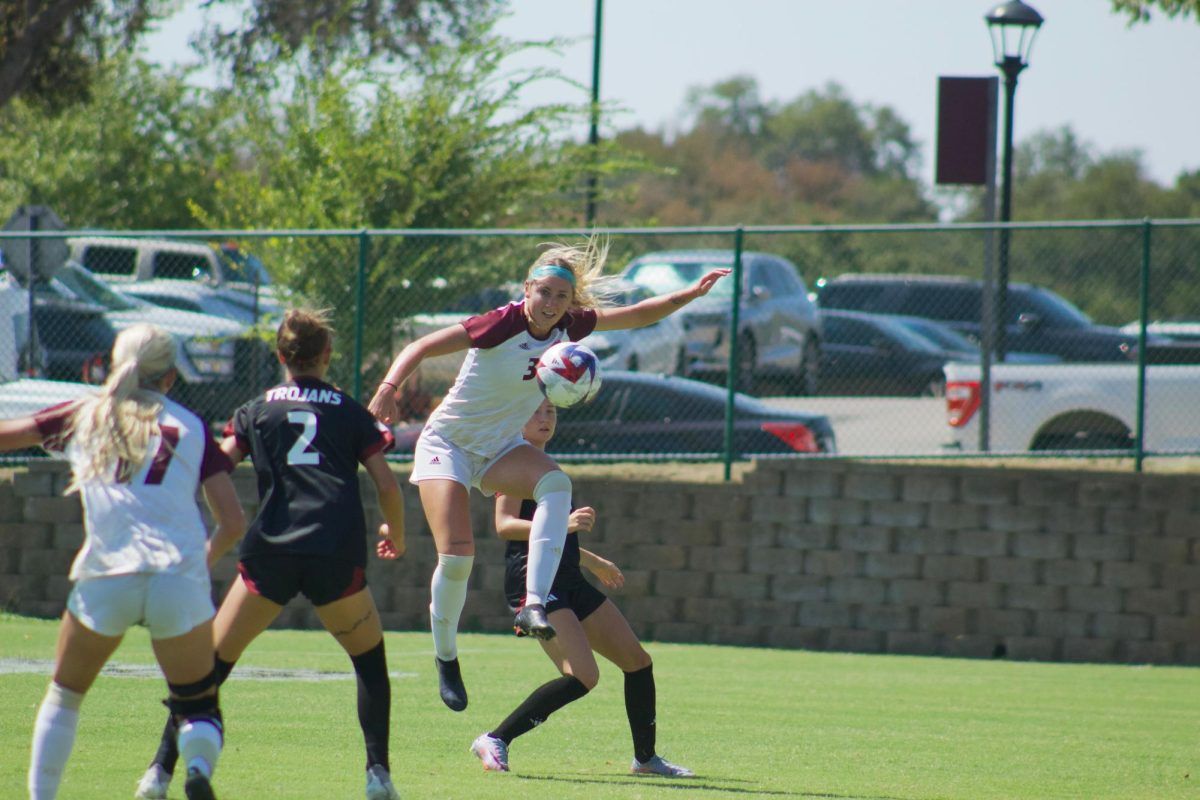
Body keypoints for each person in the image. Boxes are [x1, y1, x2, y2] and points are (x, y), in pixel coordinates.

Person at [367, 238, 728, 712]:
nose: (552, 304)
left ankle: (534, 603)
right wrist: (389, 388)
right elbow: (420, 346)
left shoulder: (568, 327)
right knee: (457, 558)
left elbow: (637, 315)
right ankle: (446, 656)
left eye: (561, 297)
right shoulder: (500, 323)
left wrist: (689, 296)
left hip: (500, 447)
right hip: (448, 444)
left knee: (556, 483)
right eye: (545, 293)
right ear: (527, 289)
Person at [136, 309, 409, 800]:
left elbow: (213, 463)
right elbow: (387, 484)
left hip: (272, 550)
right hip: (333, 547)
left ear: (281, 356)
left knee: (208, 669)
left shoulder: (256, 409)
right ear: (326, 356)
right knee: (369, 661)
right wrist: (399, 532)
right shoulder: (349, 411)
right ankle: (378, 777)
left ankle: (158, 774)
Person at [0, 324, 246, 800]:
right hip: (177, 576)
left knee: (65, 696)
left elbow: (9, 436)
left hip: (106, 574)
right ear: (171, 377)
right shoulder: (192, 427)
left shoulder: (83, 414)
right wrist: (199, 564)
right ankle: (195, 770)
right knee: (198, 708)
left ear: (112, 365)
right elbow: (232, 521)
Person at [470, 399, 693, 777]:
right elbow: (505, 525)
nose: (544, 419)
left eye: (550, 413)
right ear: (515, 421)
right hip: (534, 584)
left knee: (637, 662)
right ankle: (496, 739)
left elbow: (555, 535)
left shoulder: (546, 466)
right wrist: (567, 524)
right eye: (535, 413)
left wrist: (593, 561)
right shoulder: (514, 463)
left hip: (570, 576)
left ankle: (645, 760)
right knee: (583, 677)